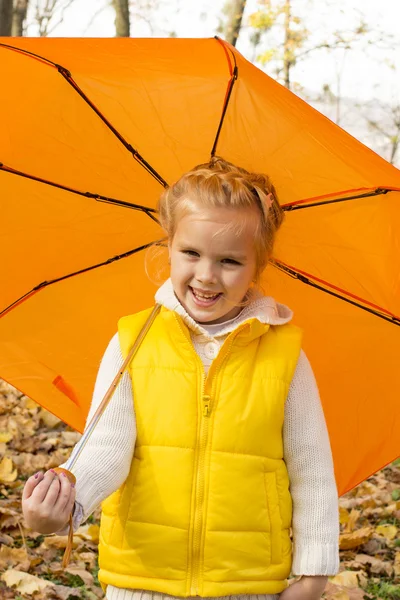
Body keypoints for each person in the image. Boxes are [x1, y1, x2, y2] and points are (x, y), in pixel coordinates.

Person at [22, 157, 340, 600]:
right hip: (143, 580)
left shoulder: (284, 356)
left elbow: (312, 470)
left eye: (230, 261)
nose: (206, 275)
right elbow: (106, 448)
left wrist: (314, 573)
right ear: (168, 246)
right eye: (191, 253)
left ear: (258, 265)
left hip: (245, 582)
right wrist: (63, 506)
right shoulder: (134, 342)